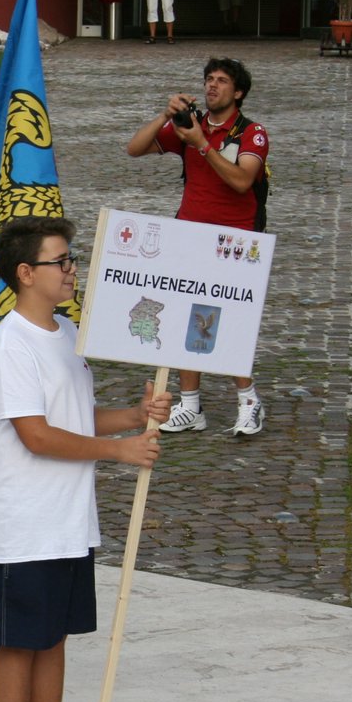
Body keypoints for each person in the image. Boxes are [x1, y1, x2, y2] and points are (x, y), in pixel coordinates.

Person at [0, 215, 171, 702]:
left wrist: (136, 414)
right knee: (18, 643)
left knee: (53, 638)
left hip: (67, 520)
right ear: (25, 273)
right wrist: (117, 452)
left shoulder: (64, 333)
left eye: (71, 259)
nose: (72, 270)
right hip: (25, 522)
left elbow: (77, 415)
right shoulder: (8, 344)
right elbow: (36, 436)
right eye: (61, 261)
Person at [124, 55, 269, 435]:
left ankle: (249, 400)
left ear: (238, 92)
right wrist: (164, 115)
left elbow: (241, 181)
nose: (212, 86)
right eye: (209, 79)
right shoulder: (191, 126)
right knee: (184, 316)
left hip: (234, 241)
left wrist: (202, 145)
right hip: (188, 236)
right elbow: (134, 148)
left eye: (221, 81)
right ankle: (190, 406)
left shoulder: (251, 133)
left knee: (230, 321)